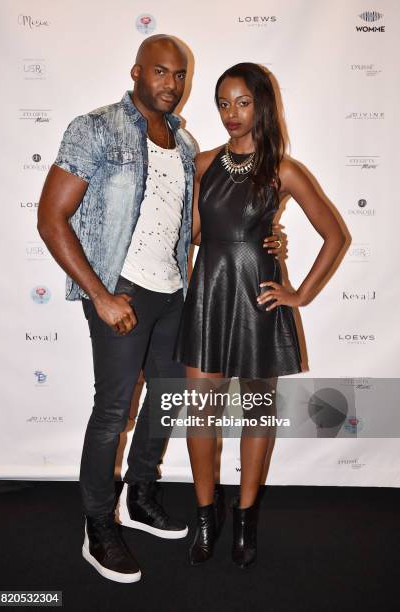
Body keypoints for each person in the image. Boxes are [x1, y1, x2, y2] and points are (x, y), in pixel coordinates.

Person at [37, 38, 283, 583]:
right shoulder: (96, 127)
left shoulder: (186, 141)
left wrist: (265, 240)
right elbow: (51, 217)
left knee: (168, 402)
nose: (171, 83)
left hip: (176, 292)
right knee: (113, 413)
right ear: (136, 72)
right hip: (121, 290)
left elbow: (208, 223)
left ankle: (141, 495)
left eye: (180, 74)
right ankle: (98, 525)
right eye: (160, 72)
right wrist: (99, 295)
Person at [173, 62, 347, 568]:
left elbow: (335, 235)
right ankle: (208, 515)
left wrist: (300, 294)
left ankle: (246, 519)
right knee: (201, 415)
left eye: (242, 102)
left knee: (254, 414)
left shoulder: (283, 170)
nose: (231, 113)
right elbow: (197, 236)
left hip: (258, 303)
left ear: (262, 105)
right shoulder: (203, 163)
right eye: (223, 103)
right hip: (208, 297)